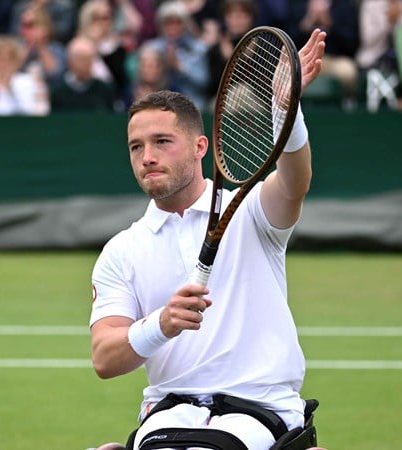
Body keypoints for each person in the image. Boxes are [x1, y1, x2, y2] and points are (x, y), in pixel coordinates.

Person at [89, 28, 327, 450]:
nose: (147, 157)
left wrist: (285, 113)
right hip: (168, 413)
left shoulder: (252, 210)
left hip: (261, 410)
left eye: (162, 142)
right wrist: (160, 325)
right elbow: (105, 358)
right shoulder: (121, 250)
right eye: (136, 147)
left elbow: (295, 182)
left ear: (201, 146)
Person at [143, 1, 209, 111]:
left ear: (185, 24)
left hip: (191, 104)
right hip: (157, 103)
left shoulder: (198, 48)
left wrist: (179, 67)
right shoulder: (151, 48)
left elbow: (204, 83)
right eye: (168, 23)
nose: (173, 27)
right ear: (161, 24)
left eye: (178, 22)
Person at [49, 36, 116, 112]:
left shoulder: (104, 90)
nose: (86, 63)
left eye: (90, 58)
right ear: (70, 61)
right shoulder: (58, 91)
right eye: (81, 59)